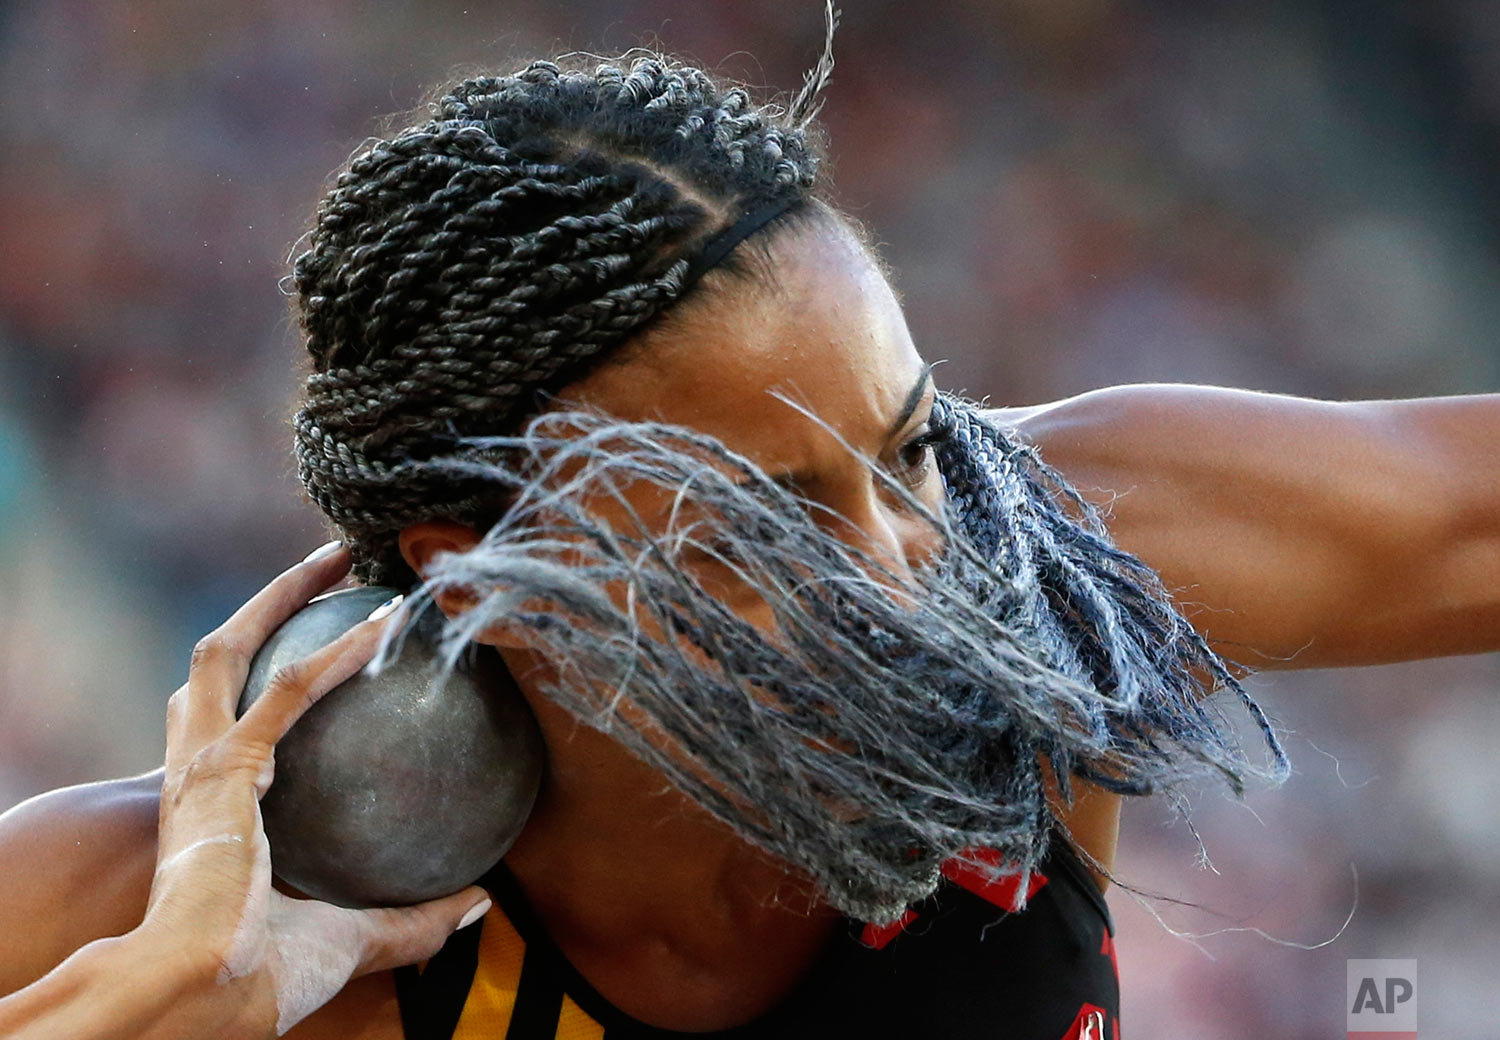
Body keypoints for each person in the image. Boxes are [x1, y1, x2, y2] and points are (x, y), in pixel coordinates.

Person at [2, 46, 1498, 1040]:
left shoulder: (1043, 557)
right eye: (765, 524)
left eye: (908, 447)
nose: (911, 566)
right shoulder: (160, 924)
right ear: (472, 570)